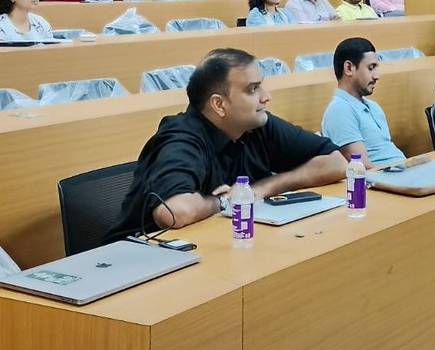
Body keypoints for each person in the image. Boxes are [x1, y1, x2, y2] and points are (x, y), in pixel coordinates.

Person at [104, 48, 347, 238]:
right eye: (252, 89)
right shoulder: (181, 138)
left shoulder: (257, 124)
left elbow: (337, 163)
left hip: (212, 244)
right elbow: (174, 212)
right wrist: (224, 201)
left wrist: (262, 189)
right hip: (138, 259)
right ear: (219, 104)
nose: (266, 96)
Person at [321, 38, 405, 169]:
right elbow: (361, 167)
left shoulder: (374, 107)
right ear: (349, 68)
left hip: (401, 171)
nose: (376, 76)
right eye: (371, 68)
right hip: (383, 178)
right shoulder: (339, 110)